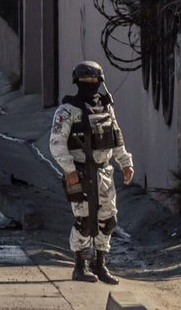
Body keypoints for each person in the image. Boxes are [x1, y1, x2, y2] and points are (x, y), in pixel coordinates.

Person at [49, 60, 134, 284]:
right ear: (77, 82)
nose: (90, 85)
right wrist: (69, 170)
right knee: (84, 220)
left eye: (94, 81)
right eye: (85, 81)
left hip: (105, 173)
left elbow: (116, 138)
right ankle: (80, 265)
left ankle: (100, 263)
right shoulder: (67, 110)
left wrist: (125, 163)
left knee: (108, 220)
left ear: (100, 82)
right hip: (80, 172)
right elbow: (56, 144)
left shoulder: (106, 108)